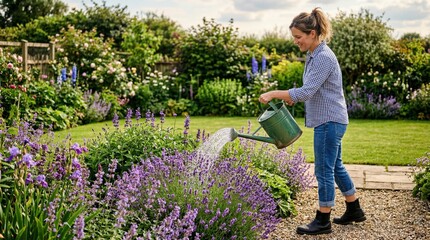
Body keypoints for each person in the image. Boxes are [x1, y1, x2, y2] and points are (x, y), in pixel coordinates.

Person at [258, 7, 366, 235]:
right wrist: (293, 99)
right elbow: (313, 91)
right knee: (335, 166)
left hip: (329, 122)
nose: (296, 41)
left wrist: (275, 93)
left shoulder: (323, 57)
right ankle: (354, 208)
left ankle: (323, 220)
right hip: (331, 120)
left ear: (313, 33)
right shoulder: (314, 55)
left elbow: (306, 92)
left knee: (323, 170)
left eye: (299, 37)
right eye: (294, 37)